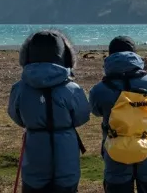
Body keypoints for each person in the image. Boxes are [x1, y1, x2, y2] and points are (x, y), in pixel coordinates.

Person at [89, 36, 147, 193]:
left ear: (110, 56)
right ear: (135, 55)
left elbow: (96, 111)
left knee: (118, 185)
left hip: (116, 152)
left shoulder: (99, 89)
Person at [7, 30, 91, 193]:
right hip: (66, 149)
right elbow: (82, 116)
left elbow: (15, 115)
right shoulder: (72, 89)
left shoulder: (19, 88)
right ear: (66, 55)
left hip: (34, 149)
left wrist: (35, 123)